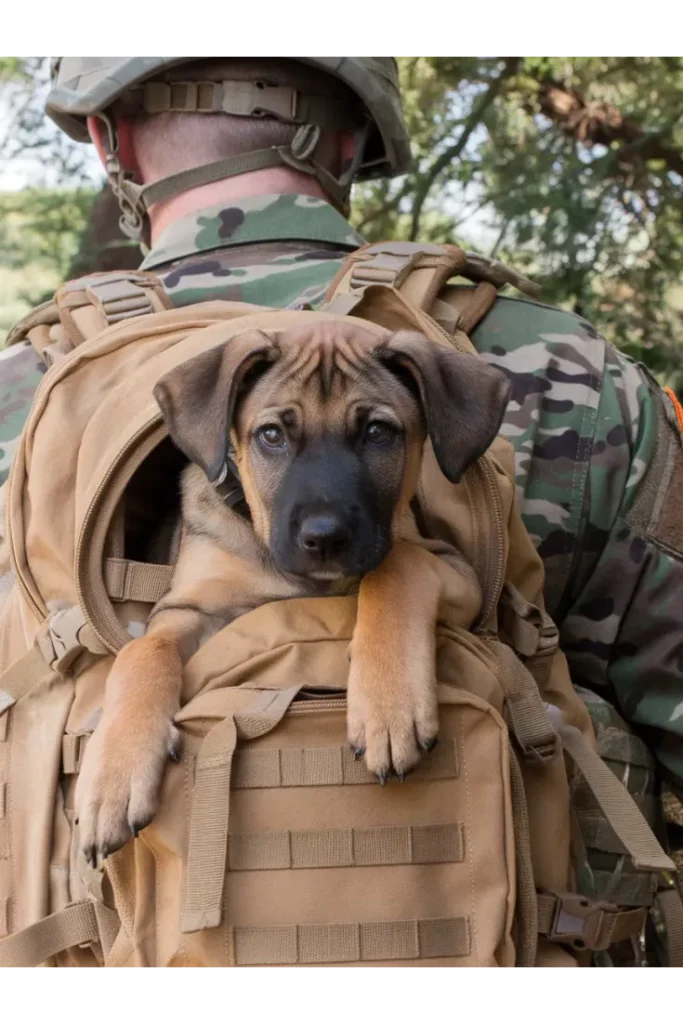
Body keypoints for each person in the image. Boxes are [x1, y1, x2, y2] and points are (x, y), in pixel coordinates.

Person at [4, 56, 683, 812]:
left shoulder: (25, 395)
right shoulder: (573, 373)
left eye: (374, 433)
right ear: (352, 141)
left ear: (109, 141)